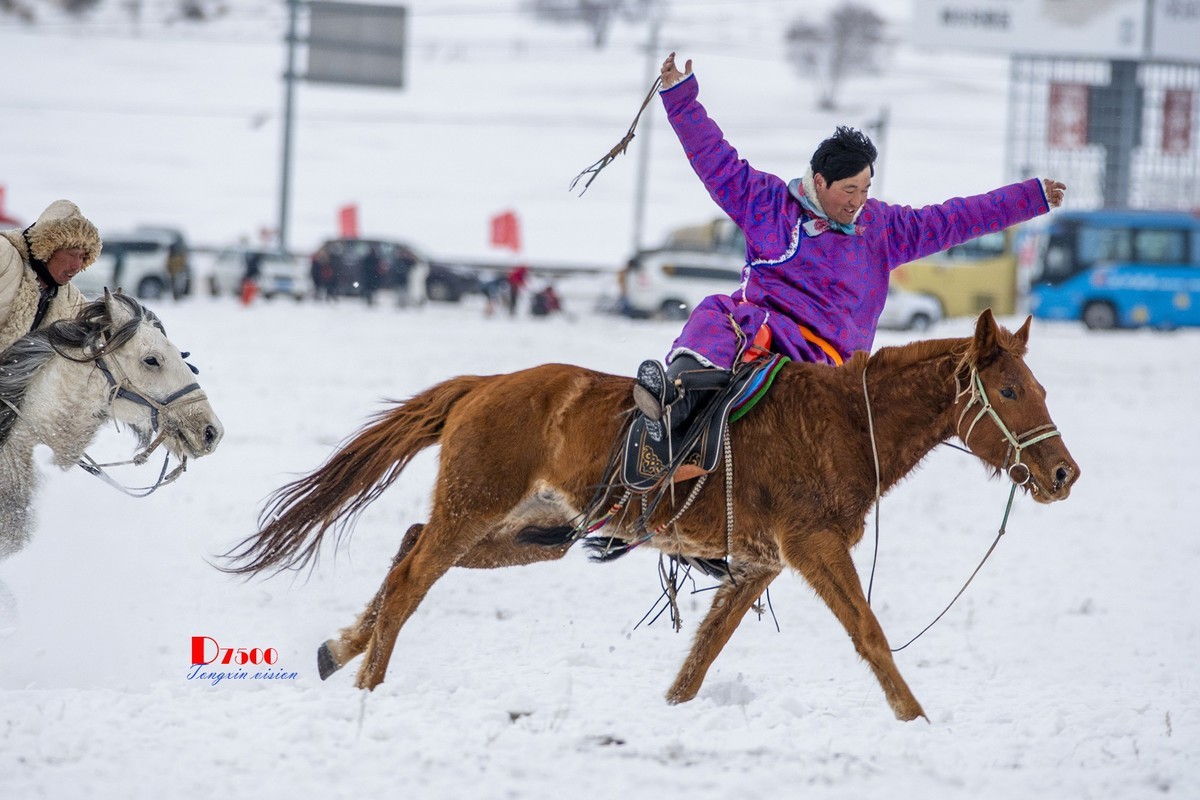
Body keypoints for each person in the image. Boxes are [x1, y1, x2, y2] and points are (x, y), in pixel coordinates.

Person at [638, 53, 1066, 435]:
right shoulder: (769, 204)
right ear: (819, 182)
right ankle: (669, 404)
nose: (858, 201)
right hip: (762, 331)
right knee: (715, 312)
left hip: (827, 362)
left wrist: (1029, 197)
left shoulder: (883, 228)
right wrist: (680, 97)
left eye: (865, 189)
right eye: (849, 190)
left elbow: (956, 218)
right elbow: (717, 160)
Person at [0, 199, 102, 353]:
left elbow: (96, 323)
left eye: (82, 257)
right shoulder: (5, 255)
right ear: (47, 249)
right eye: (72, 254)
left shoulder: (68, 297)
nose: (77, 266)